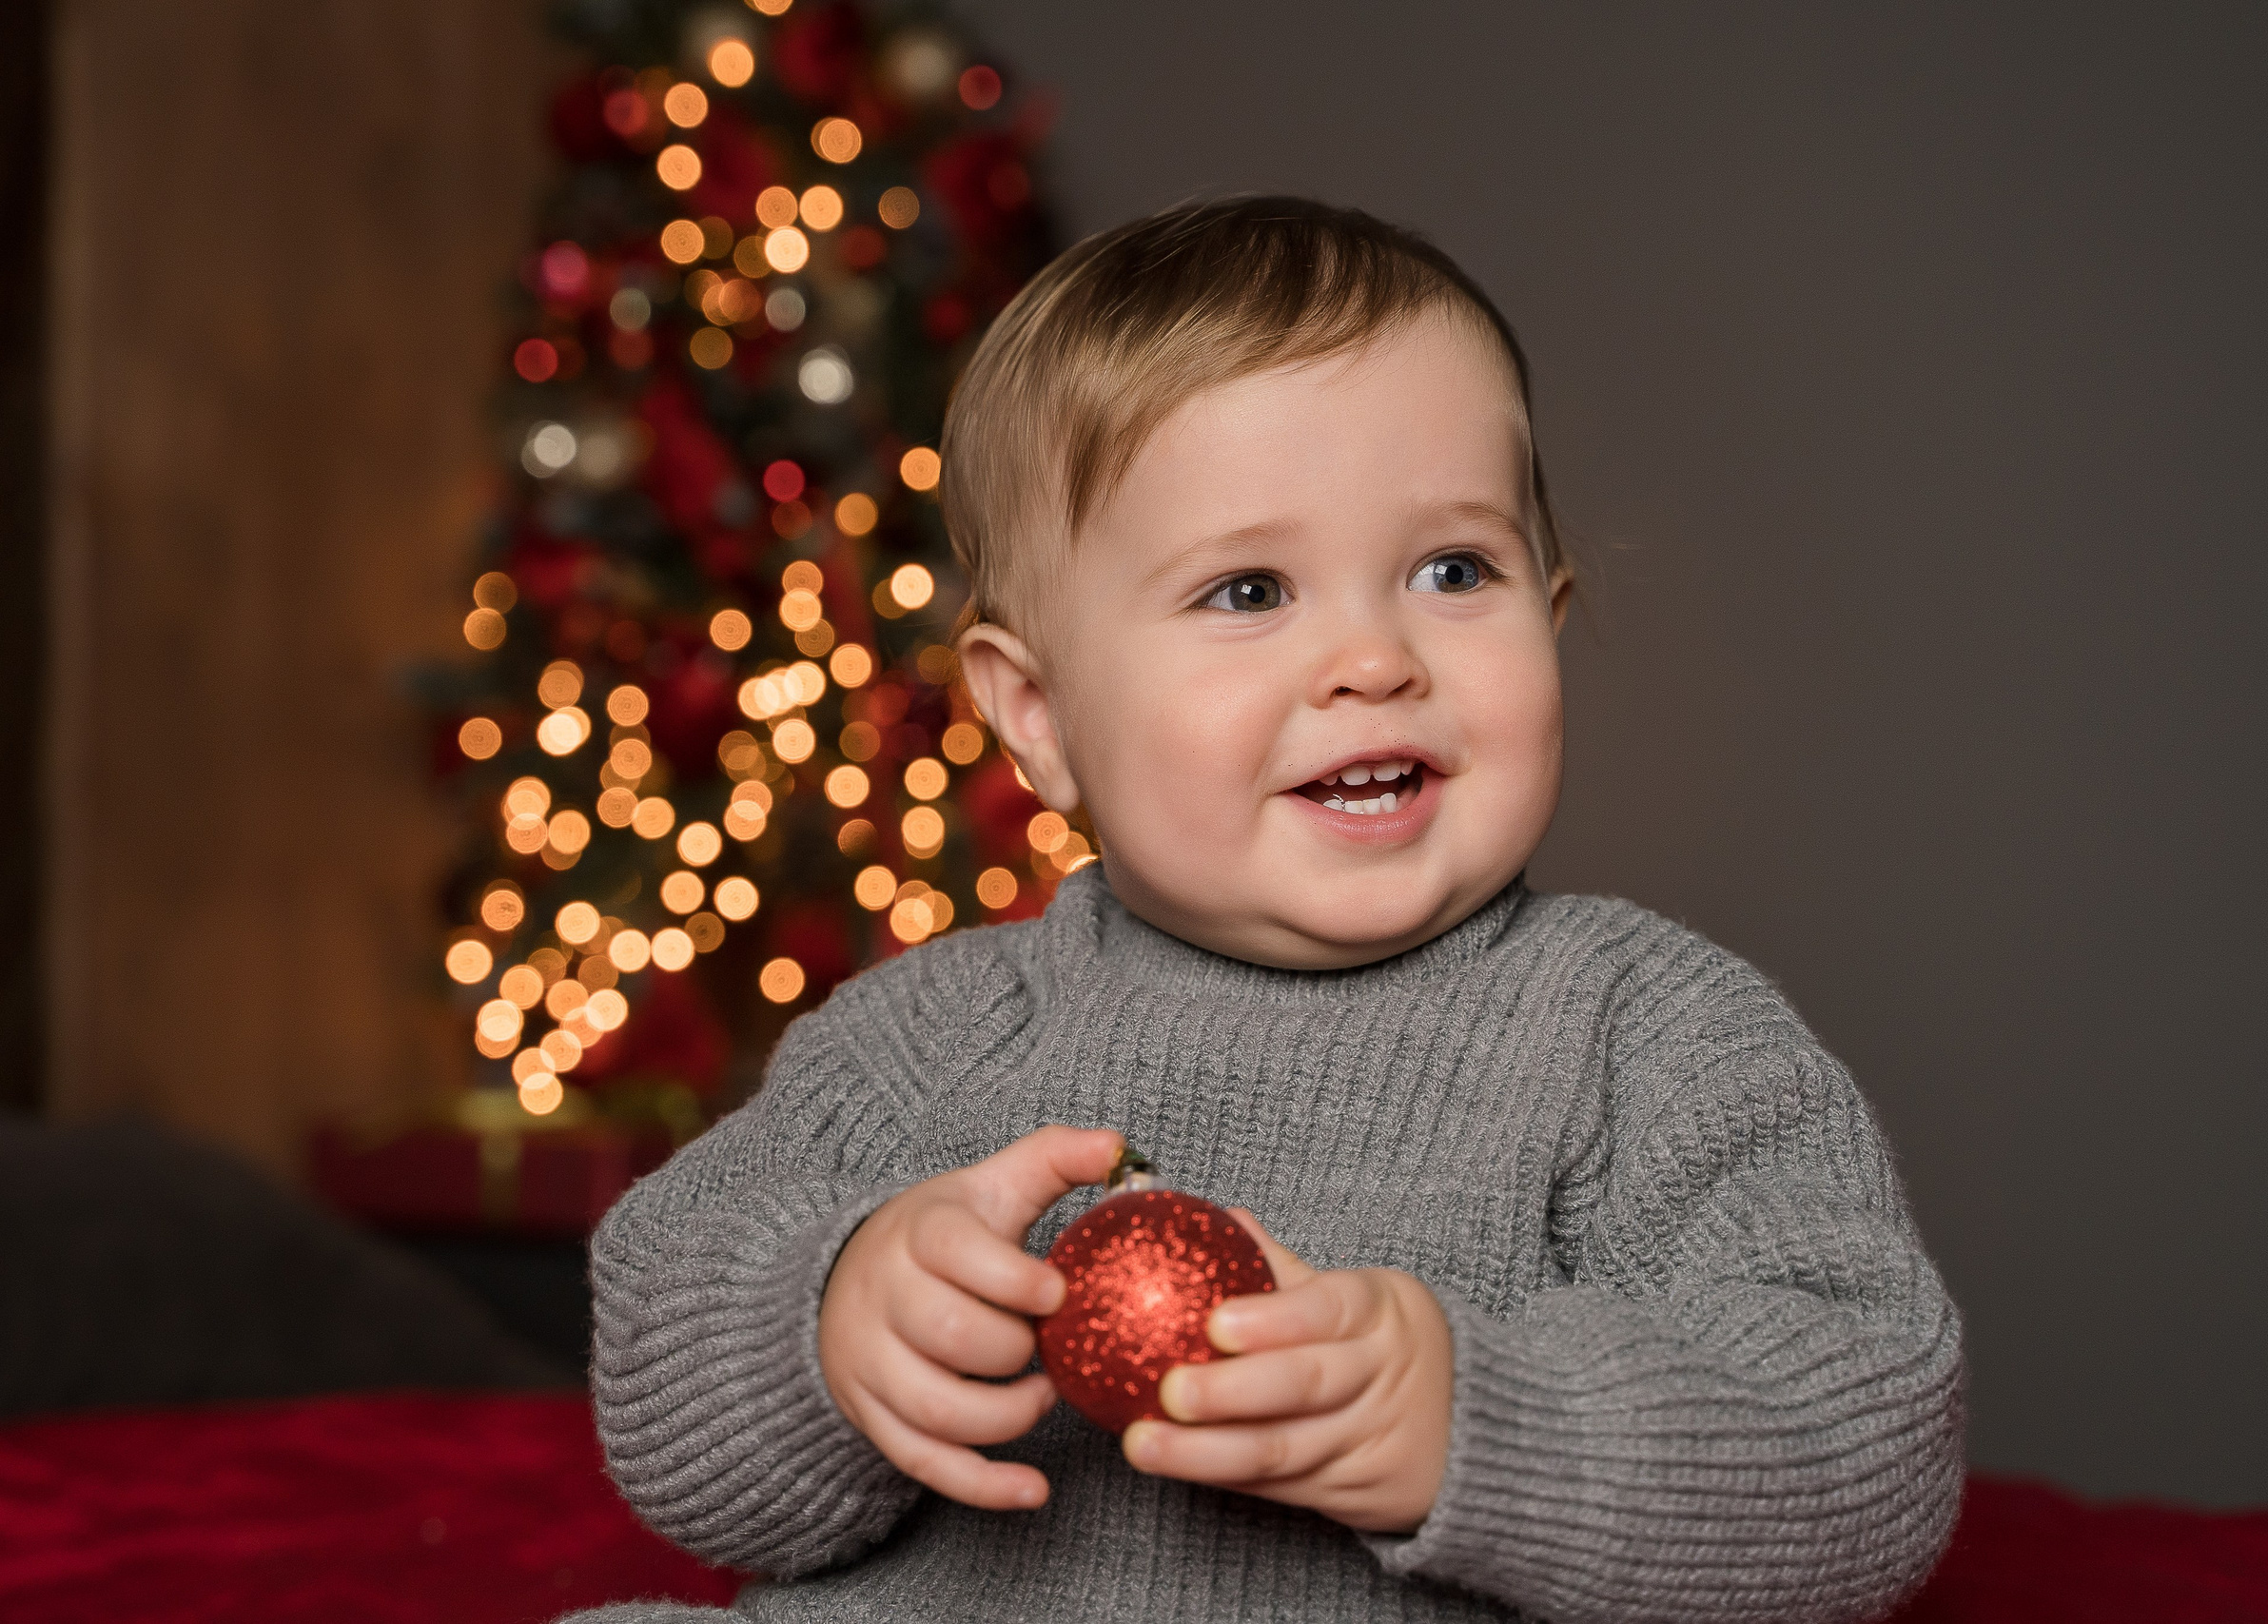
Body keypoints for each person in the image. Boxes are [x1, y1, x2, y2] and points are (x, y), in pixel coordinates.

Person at [571, 197, 1965, 1623]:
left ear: (1549, 617)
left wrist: (1472, 1426)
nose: (1374, 657)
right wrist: (834, 1320)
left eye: (1453, 571)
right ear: (1040, 719)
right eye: (1248, 589)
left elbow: (1866, 1447)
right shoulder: (933, 1034)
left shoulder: (1646, 1035)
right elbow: (665, 1390)